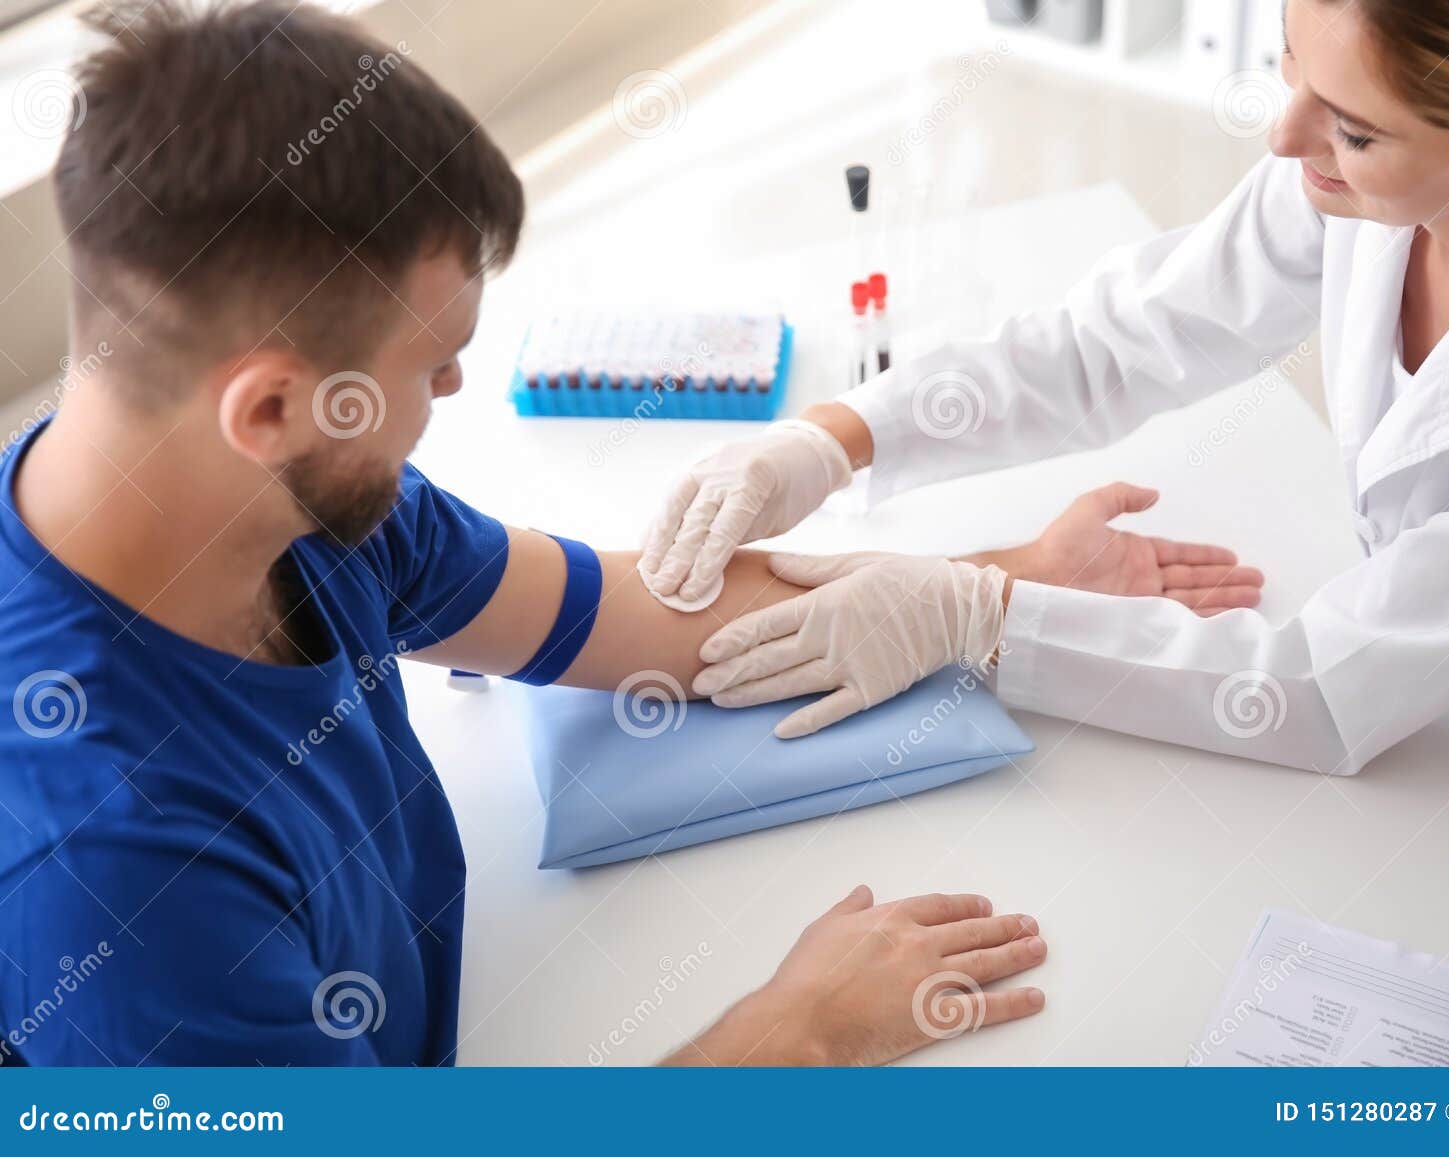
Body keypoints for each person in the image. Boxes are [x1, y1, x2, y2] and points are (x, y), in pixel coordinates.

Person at [0, 1, 1262, 1066]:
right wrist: (794, 1031)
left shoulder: (275, 502)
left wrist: (998, 587)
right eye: (434, 368)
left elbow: (625, 614)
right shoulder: (113, 879)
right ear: (271, 405)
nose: (449, 403)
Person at [644, 0, 1449, 771]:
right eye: (1289, 64)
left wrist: (976, 614)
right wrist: (836, 435)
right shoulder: (1356, 172)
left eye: (1352, 130)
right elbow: (1116, 343)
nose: (1284, 136)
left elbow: (1316, 690)